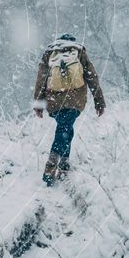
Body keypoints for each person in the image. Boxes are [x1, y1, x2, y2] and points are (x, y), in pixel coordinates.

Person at [33, 33, 105, 186]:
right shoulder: (78, 51)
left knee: (65, 127)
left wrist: (39, 104)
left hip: (54, 100)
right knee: (65, 129)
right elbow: (92, 77)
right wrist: (99, 101)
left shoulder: (49, 54)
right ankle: (51, 166)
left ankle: (64, 163)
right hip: (74, 99)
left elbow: (41, 80)